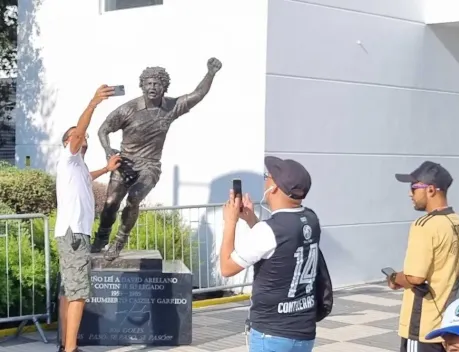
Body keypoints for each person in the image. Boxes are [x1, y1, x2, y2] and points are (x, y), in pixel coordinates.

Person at [91, 58, 223, 261]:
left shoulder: (171, 107)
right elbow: (103, 129)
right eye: (149, 83)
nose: (152, 87)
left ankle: (119, 241)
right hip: (125, 163)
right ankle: (101, 237)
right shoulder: (129, 109)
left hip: (150, 166)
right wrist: (108, 151)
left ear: (164, 87)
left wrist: (210, 73)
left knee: (134, 198)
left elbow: (198, 95)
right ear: (142, 85)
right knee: (110, 202)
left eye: (157, 84)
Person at [220, 156, 323, 352]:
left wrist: (230, 222)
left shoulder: (269, 230)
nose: (265, 180)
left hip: (272, 334)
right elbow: (279, 247)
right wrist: (252, 221)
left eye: (268, 176)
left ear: (274, 187)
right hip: (303, 332)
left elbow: (226, 268)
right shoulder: (311, 219)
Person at [55, 85, 122, 352]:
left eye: (80, 136)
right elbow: (80, 131)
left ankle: (64, 344)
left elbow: (86, 178)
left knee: (70, 291)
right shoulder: (68, 158)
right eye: (73, 136)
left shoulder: (78, 166)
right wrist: (93, 103)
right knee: (79, 293)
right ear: (68, 143)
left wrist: (106, 169)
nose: (79, 138)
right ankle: (70, 349)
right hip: (73, 235)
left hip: (73, 234)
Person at [388, 161, 459, 352]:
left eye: (413, 188)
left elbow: (415, 277)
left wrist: (394, 278)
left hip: (424, 326)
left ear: (431, 190)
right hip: (449, 326)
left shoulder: (424, 225)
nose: (410, 194)